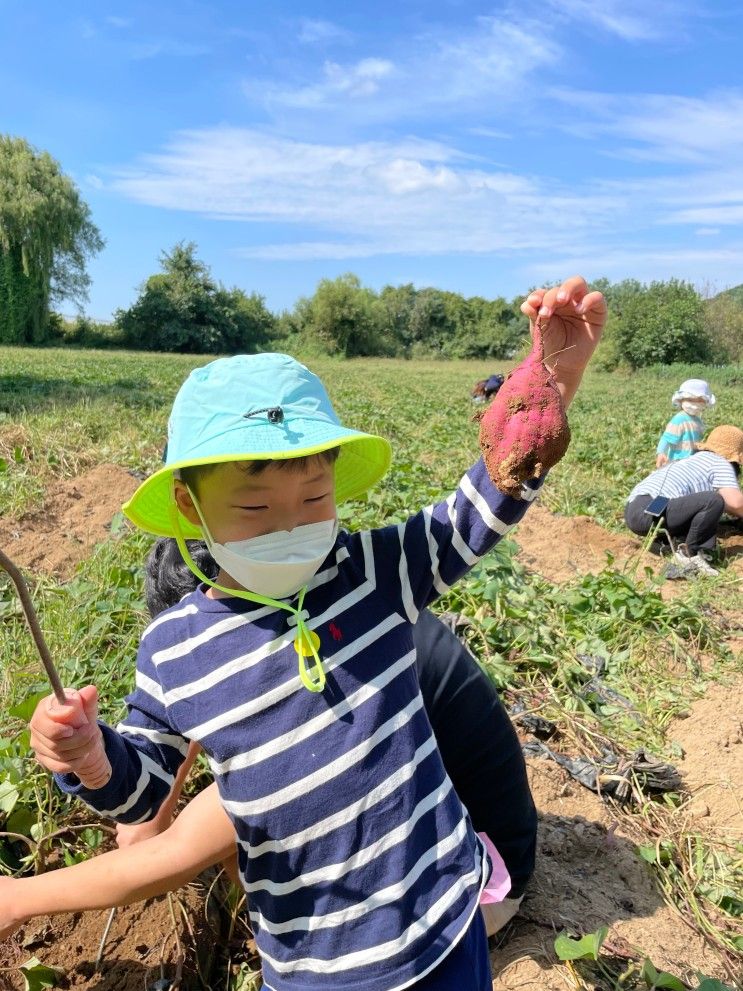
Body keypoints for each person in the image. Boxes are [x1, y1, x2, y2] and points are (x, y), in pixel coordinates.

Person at [28, 277, 606, 991]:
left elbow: (476, 510)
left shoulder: (373, 572)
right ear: (189, 505)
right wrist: (87, 755)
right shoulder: (174, 652)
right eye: (253, 504)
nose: (291, 525)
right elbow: (143, 797)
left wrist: (556, 376)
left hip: (448, 927)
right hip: (317, 971)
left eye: (313, 497)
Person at [113, 537, 537, 937]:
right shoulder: (338, 611)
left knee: (253, 828)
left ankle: (288, 944)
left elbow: (170, 855)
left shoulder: (319, 697)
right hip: (479, 838)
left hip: (474, 892)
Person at [625, 424, 743, 575]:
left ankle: (666, 542)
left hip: (638, 507)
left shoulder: (693, 460)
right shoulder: (720, 462)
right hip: (650, 508)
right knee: (713, 500)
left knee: (701, 510)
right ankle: (691, 556)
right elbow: (736, 503)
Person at [655, 378, 716, 467]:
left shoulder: (698, 421)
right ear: (680, 400)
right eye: (690, 400)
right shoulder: (679, 419)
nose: (695, 404)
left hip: (692, 463)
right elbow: (666, 438)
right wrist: (660, 453)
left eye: (699, 400)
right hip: (677, 462)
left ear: (705, 402)